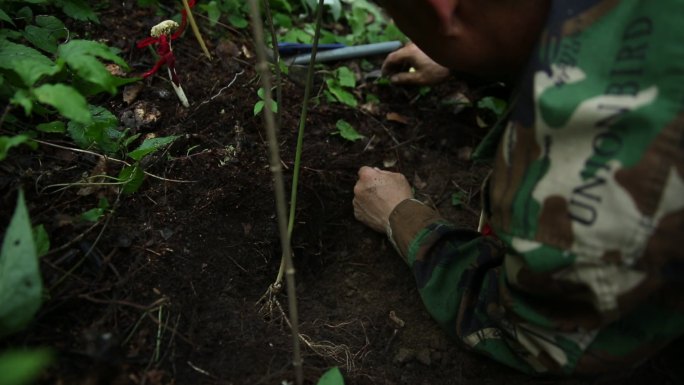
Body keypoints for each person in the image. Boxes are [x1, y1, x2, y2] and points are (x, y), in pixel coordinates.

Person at [353, 0, 684, 376]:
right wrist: (471, 54)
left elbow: (534, 334)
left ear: (442, 12)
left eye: (401, 16)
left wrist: (405, 218)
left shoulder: (587, 196)